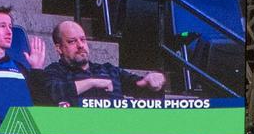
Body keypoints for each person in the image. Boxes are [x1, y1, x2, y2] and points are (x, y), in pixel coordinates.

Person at [35, 19, 166, 103]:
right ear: (59, 48)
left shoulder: (109, 70)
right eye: (72, 41)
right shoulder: (55, 72)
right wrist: (92, 83)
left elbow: (140, 86)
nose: (80, 45)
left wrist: (153, 81)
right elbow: (53, 94)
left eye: (83, 39)